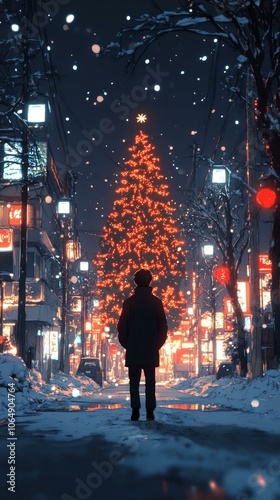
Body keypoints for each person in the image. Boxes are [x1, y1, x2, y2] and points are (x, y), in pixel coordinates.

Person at [117, 268, 168, 421]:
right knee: (150, 383)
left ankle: (135, 410)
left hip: (134, 349)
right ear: (150, 281)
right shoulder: (156, 303)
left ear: (136, 282)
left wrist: (128, 344)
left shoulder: (129, 303)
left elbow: (122, 327)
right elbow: (163, 327)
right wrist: (156, 345)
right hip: (151, 349)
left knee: (134, 382)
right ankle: (150, 411)